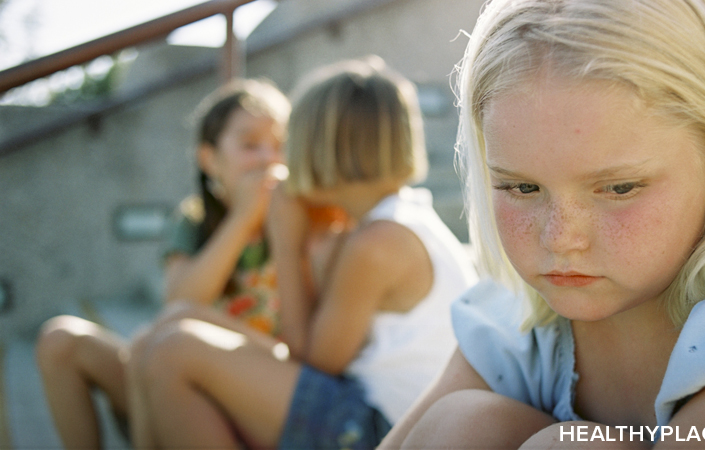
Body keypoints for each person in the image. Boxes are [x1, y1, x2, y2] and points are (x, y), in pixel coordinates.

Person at [379, 0, 705, 449]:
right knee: (461, 426)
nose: (561, 238)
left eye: (618, 188)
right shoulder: (519, 328)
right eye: (522, 189)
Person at [125, 56, 479, 450]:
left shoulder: (377, 243)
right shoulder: (390, 219)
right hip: (373, 408)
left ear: (324, 151)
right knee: (173, 322)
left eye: (290, 144)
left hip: (390, 429)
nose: (282, 160)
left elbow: (312, 362)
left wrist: (287, 244)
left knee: (174, 354)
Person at [35, 78, 297, 450]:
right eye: (250, 145)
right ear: (209, 159)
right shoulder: (194, 219)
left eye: (281, 146)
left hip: (250, 381)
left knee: (154, 346)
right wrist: (242, 220)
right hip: (180, 367)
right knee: (60, 339)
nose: (268, 158)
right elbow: (181, 301)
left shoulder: (299, 218)